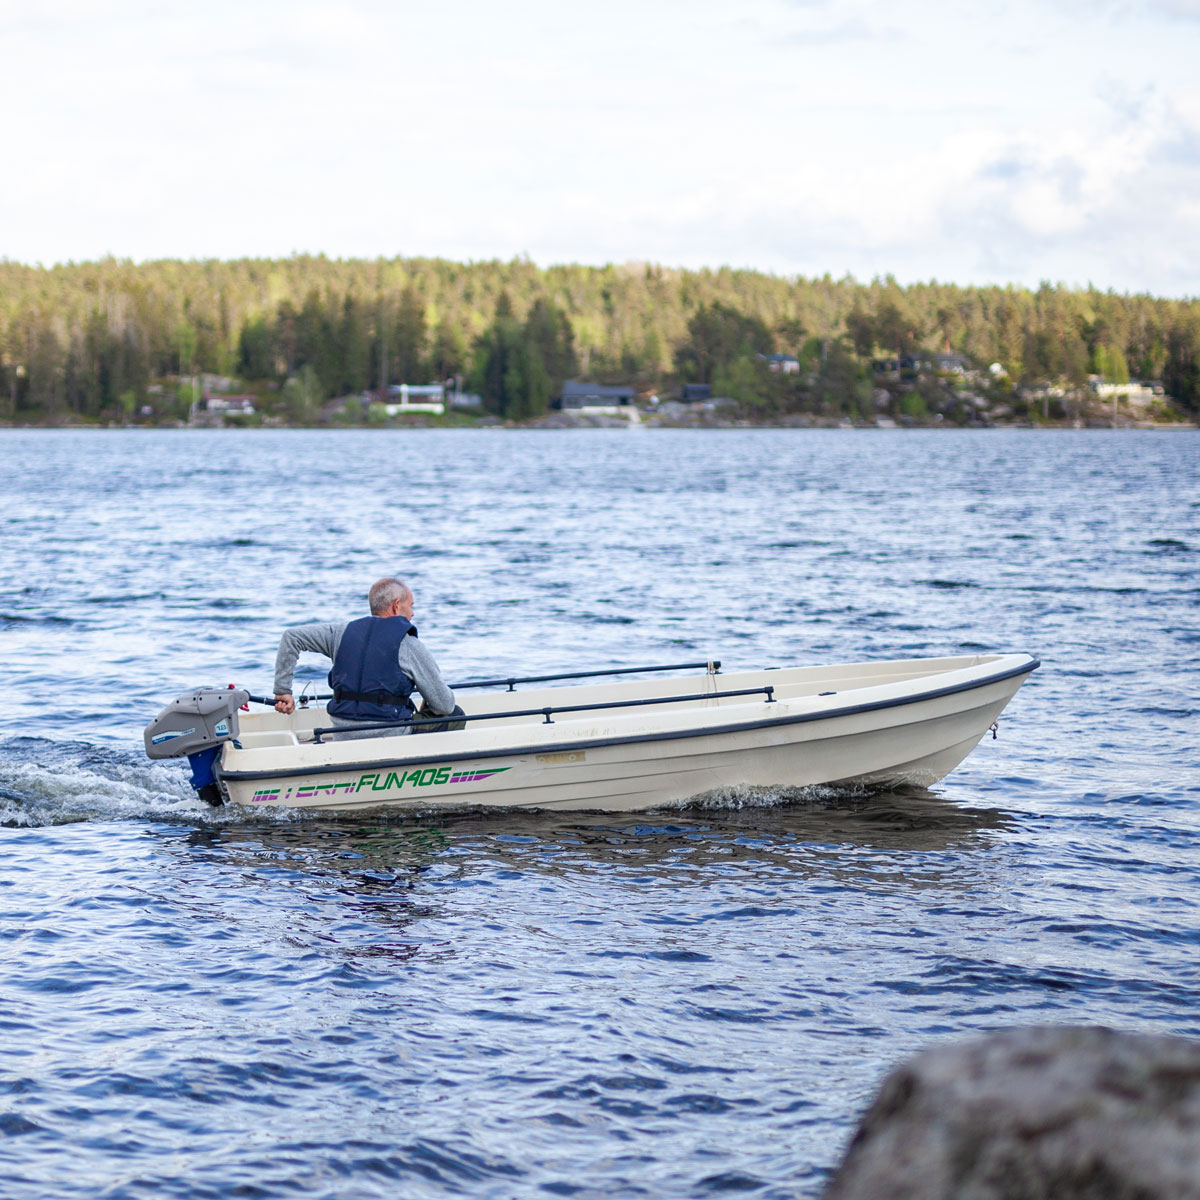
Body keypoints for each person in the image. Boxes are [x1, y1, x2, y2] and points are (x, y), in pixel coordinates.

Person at [273, 577, 464, 738]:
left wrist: (283, 690)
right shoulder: (409, 644)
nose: (412, 613)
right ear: (396, 606)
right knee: (456, 715)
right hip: (390, 734)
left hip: (343, 733)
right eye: (411, 606)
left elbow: (292, 637)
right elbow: (444, 705)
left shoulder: (340, 633)